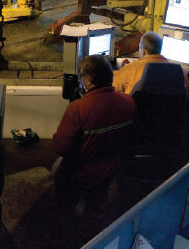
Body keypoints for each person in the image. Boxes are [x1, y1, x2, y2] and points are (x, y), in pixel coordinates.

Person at [43, 55, 136, 248]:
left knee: (62, 207)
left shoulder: (78, 108)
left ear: (89, 80)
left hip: (77, 172)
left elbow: (60, 147)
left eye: (82, 76)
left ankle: (55, 239)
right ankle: (90, 240)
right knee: (96, 207)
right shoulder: (128, 102)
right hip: (108, 168)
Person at [113, 31, 189, 95]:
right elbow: (185, 92)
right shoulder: (180, 71)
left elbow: (113, 88)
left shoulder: (130, 69)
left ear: (143, 51)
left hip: (138, 111)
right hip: (169, 112)